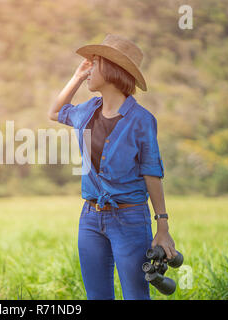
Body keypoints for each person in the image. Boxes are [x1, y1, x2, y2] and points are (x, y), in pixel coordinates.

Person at [48, 34, 177, 300]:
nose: (88, 70)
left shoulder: (141, 120)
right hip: (90, 218)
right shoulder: (86, 111)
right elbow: (55, 112)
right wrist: (76, 76)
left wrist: (162, 226)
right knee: (97, 297)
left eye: (94, 64)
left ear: (111, 69)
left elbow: (151, 171)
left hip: (129, 219)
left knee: (136, 296)